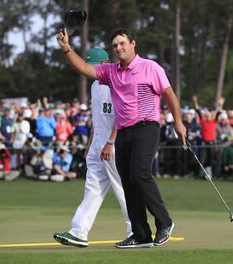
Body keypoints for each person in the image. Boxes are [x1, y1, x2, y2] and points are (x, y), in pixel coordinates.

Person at [57, 28, 186, 248]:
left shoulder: (150, 67)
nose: (119, 48)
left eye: (122, 43)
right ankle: (141, 234)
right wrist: (67, 48)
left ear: (132, 43)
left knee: (139, 174)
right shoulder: (111, 72)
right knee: (127, 183)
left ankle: (165, 223)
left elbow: (169, 94)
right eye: (115, 45)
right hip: (124, 131)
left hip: (147, 126)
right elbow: (83, 68)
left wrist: (179, 122)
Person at [54, 48, 132, 247]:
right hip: (98, 144)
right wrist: (91, 143)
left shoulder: (116, 82)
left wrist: (111, 141)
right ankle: (79, 231)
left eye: (94, 65)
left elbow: (121, 116)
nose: (91, 70)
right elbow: (97, 117)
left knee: (123, 189)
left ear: (105, 63)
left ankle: (137, 230)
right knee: (92, 189)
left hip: (114, 145)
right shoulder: (96, 85)